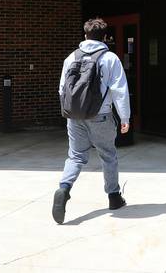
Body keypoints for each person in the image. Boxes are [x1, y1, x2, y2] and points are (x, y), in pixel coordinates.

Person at [52, 17, 131, 224]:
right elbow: (120, 90)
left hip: (74, 116)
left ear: (85, 35)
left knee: (76, 156)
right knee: (108, 155)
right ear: (105, 37)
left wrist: (69, 111)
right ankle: (114, 197)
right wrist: (125, 117)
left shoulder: (71, 57)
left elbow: (62, 89)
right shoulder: (110, 58)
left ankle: (64, 188)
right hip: (101, 116)